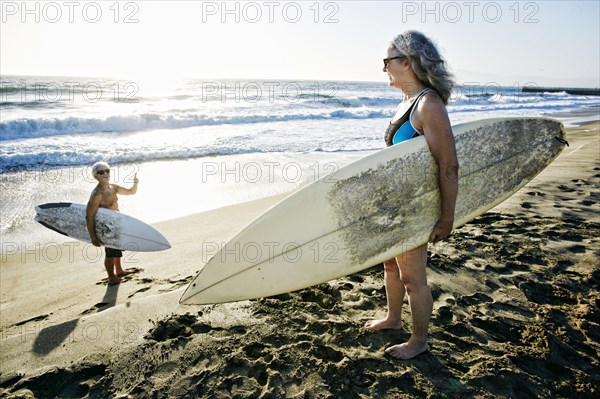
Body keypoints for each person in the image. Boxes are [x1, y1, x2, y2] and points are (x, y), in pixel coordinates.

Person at [363, 31, 459, 360]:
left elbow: (448, 165)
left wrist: (447, 218)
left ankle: (419, 341)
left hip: (416, 205)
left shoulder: (429, 104)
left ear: (408, 62)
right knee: (390, 265)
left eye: (387, 61)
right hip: (397, 203)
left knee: (412, 276)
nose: (383, 68)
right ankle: (392, 319)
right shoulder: (406, 102)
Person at [86, 162, 139, 285]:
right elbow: (89, 216)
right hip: (106, 227)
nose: (105, 173)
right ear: (96, 176)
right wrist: (93, 236)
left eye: (107, 171)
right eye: (101, 172)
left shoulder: (113, 188)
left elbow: (131, 192)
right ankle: (111, 277)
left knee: (117, 249)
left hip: (116, 222)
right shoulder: (97, 194)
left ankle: (119, 271)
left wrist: (135, 183)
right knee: (110, 253)